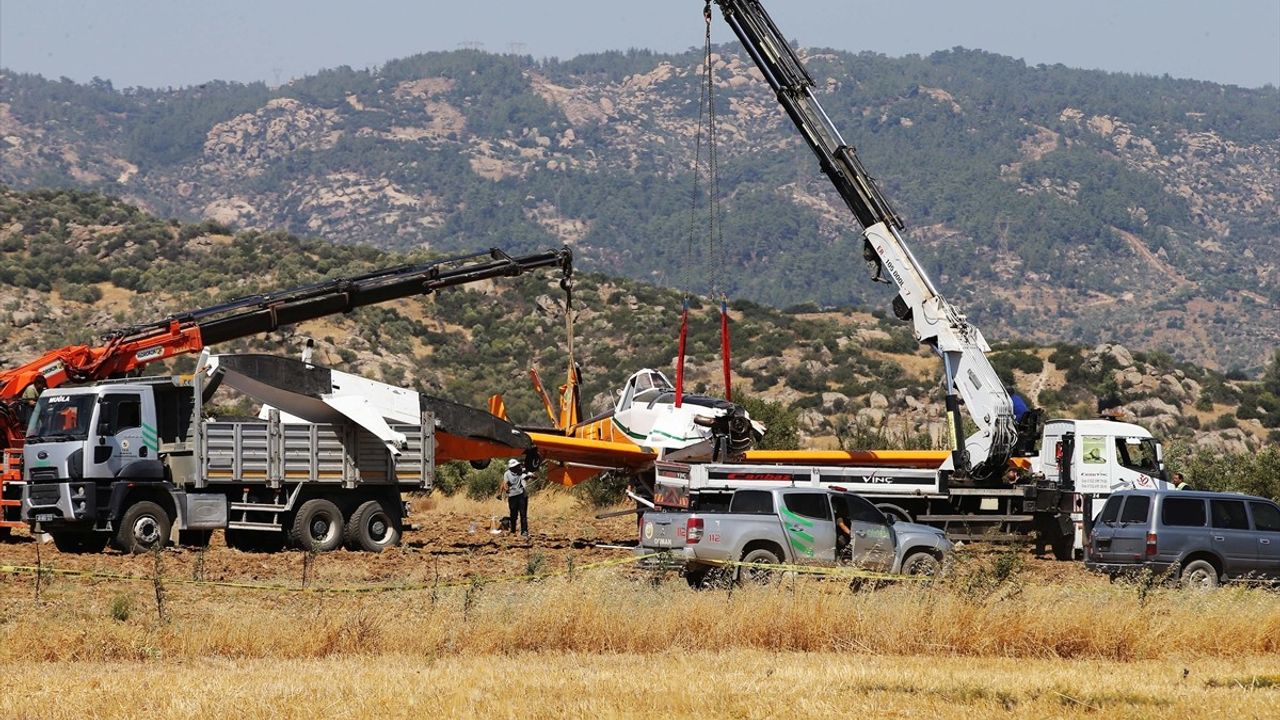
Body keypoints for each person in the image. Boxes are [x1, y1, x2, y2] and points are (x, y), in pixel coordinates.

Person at [498, 458, 530, 537]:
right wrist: (506, 489)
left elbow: (531, 475)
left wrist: (529, 474)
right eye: (515, 466)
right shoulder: (507, 473)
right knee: (513, 515)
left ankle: (524, 531)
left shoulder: (521, 471)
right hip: (512, 496)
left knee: (523, 514)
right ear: (511, 467)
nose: (517, 467)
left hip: (521, 495)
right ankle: (513, 530)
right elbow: (505, 483)